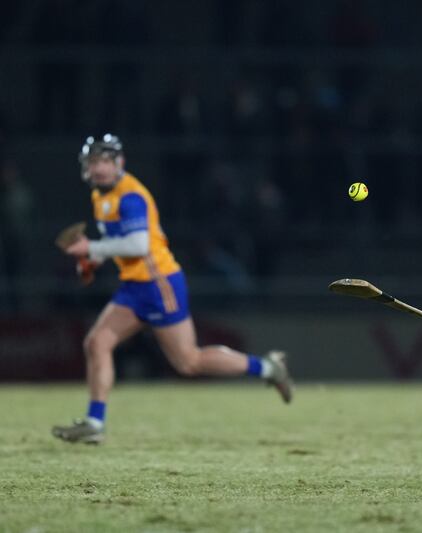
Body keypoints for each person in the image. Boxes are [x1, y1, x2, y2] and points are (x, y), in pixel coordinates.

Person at [52, 134, 293, 445]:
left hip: (158, 284)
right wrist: (93, 257)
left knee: (188, 362)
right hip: (134, 285)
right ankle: (95, 423)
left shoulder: (130, 196)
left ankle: (268, 368)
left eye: (103, 161)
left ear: (118, 163)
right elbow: (123, 243)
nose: (97, 168)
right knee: (97, 343)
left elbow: (138, 245)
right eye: (93, 162)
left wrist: (93, 247)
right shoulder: (101, 196)